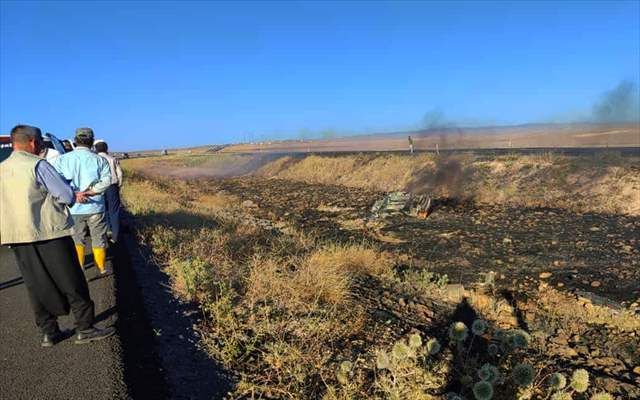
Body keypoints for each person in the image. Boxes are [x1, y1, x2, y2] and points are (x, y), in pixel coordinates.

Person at [0, 125, 116, 346]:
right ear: (34, 142)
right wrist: (72, 194)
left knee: (36, 284)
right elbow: (64, 195)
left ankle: (49, 332)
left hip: (17, 237)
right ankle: (85, 327)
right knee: (72, 280)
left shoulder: (2, 168)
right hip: (49, 232)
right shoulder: (38, 165)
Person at [52, 128, 112, 274]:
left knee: (76, 239)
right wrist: (90, 192)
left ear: (75, 141)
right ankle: (102, 268)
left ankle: (80, 269)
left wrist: (75, 194)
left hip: (72, 207)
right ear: (92, 142)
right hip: (96, 206)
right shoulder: (100, 160)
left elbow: (55, 181)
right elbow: (107, 180)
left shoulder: (61, 159)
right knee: (99, 238)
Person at [94, 140, 123, 243]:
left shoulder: (94, 160)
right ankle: (115, 237)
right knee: (114, 211)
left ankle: (106, 232)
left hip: (99, 188)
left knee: (102, 210)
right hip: (112, 186)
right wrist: (118, 185)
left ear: (95, 149)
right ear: (106, 148)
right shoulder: (113, 159)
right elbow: (119, 174)